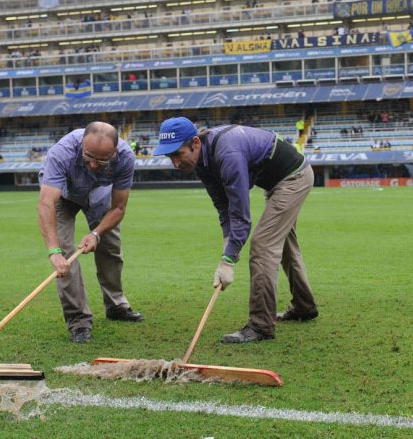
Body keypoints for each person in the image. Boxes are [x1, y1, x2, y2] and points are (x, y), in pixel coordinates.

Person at [154, 117, 318, 343]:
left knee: (262, 246)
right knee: (285, 248)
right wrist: (227, 243)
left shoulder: (227, 153)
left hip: (293, 178)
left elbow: (240, 213)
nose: (175, 163)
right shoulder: (200, 162)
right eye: (169, 157)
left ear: (195, 143)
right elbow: (224, 207)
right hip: (276, 183)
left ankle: (260, 326)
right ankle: (304, 306)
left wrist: (228, 260)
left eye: (178, 154)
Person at [38, 121, 144, 343]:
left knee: (110, 247)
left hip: (99, 196)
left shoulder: (125, 157)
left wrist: (96, 234)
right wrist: (54, 251)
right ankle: (79, 321)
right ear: (81, 146)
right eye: (88, 157)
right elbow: (46, 203)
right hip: (63, 196)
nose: (94, 165)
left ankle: (116, 306)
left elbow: (118, 208)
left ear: (114, 152)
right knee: (66, 256)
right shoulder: (62, 152)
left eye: (102, 160)